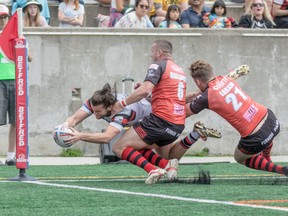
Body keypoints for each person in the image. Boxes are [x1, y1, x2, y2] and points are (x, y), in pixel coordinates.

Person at [186, 60, 288, 177]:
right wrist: (194, 95)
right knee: (264, 136)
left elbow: (183, 113)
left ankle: (281, 170)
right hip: (271, 120)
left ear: (197, 81)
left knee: (239, 157)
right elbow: (198, 94)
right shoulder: (224, 79)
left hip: (256, 137)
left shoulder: (206, 97)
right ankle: (267, 160)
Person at [108, 40, 187, 184]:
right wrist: (146, 91)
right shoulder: (179, 71)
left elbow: (145, 90)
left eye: (152, 51)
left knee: (118, 147)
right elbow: (165, 97)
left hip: (160, 122)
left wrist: (121, 104)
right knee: (134, 146)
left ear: (159, 52)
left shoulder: (158, 65)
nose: (151, 55)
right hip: (177, 127)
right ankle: (166, 165)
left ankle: (153, 169)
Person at [0, 5, 32, 166]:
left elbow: (30, 58)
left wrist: (22, 45)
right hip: (0, 81)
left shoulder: (16, 36)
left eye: (4, 17)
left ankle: (11, 156)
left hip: (16, 80)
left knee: (15, 120)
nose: (2, 21)